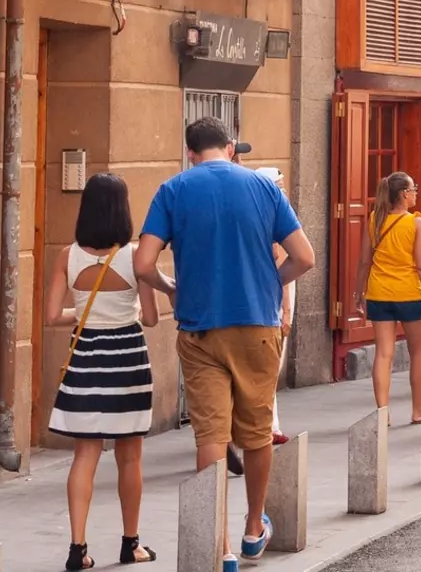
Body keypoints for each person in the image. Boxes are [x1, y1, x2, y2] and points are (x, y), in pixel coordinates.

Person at [135, 118, 314, 564]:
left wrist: (168, 286)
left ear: (190, 152)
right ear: (231, 148)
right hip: (257, 324)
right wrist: (273, 282)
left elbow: (142, 264)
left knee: (210, 435)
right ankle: (255, 526)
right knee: (255, 432)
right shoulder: (264, 189)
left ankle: (220, 544)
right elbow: (304, 257)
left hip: (199, 329)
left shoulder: (173, 190)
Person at [48, 174, 159, 570]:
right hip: (127, 358)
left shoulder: (67, 256)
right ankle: (131, 544)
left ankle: (77, 549)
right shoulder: (134, 257)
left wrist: (83, 313)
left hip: (85, 358)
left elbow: (50, 316)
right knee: (130, 458)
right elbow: (150, 318)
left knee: (85, 455)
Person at [354, 171, 421, 425]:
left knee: (383, 354)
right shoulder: (416, 223)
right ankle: (417, 410)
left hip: (379, 293)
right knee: (418, 352)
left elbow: (364, 261)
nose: (415, 194)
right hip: (410, 294)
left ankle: (383, 411)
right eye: (413, 189)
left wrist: (359, 292)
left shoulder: (374, 219)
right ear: (403, 194)